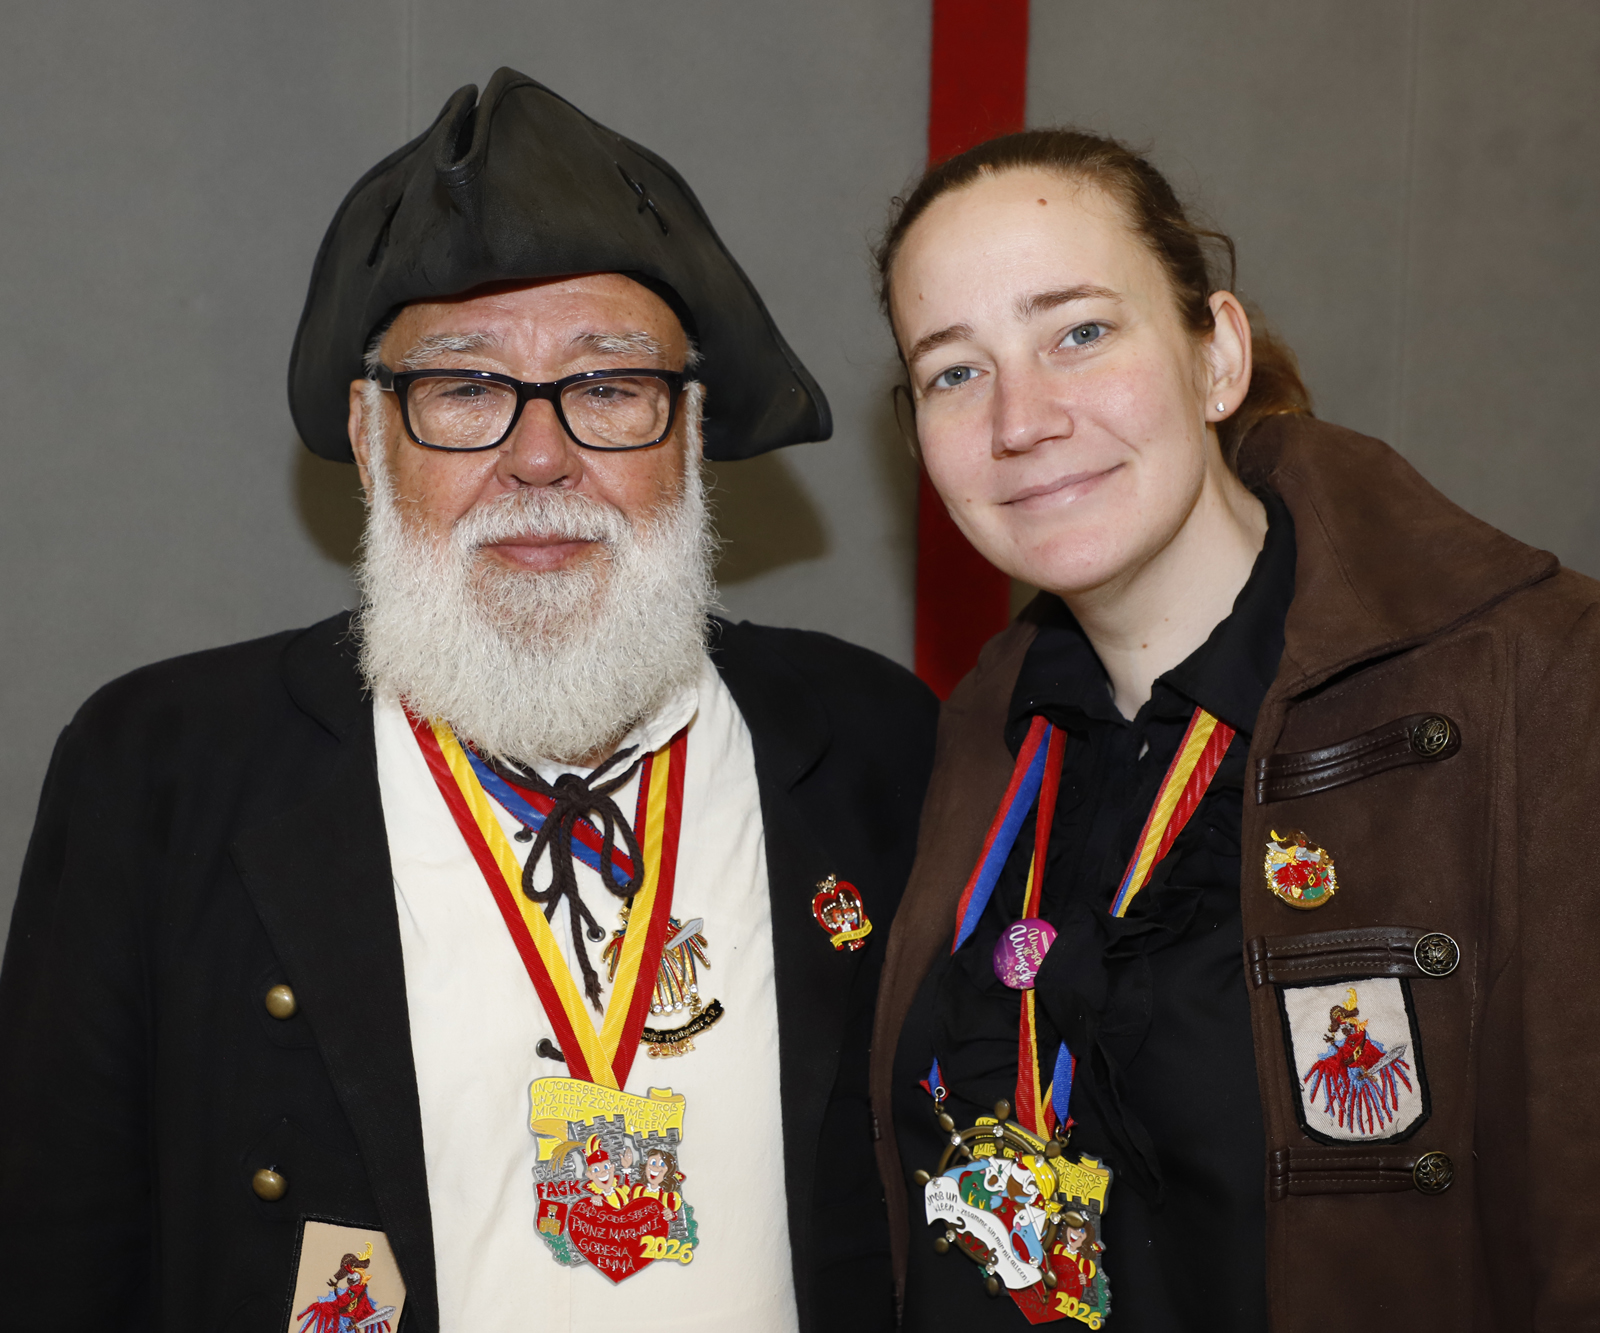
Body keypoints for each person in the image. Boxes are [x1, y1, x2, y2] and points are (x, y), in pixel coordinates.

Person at [0, 69, 936, 1332]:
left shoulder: (877, 745)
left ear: (689, 428)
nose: (539, 457)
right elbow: (54, 1256)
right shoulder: (159, 770)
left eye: (608, 387)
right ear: (370, 433)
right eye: (466, 390)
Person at [867, 128, 1600, 1329]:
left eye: (1078, 332)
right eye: (955, 371)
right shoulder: (971, 741)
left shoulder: (1540, 681)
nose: (1020, 418)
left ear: (1217, 356)